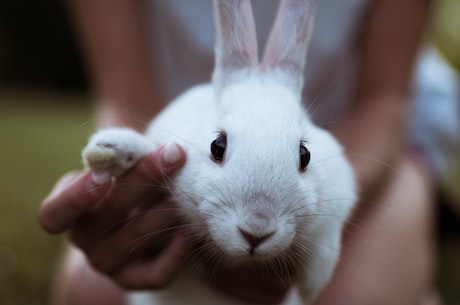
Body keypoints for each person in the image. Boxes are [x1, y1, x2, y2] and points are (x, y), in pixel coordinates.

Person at [39, 0, 459, 304]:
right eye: (220, 149)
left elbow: (385, 99)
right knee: (92, 292)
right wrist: (124, 186)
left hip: (370, 131)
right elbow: (129, 99)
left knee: (360, 296)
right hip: (190, 105)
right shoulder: (193, 124)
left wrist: (318, 232)